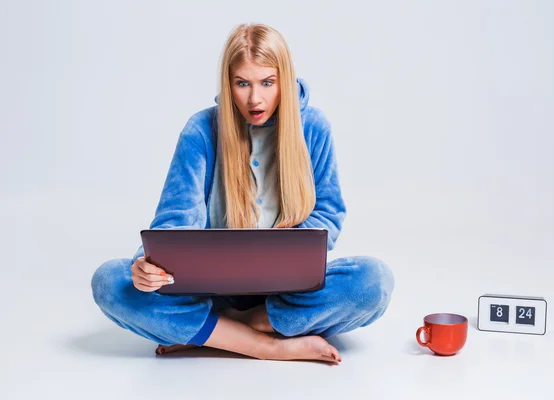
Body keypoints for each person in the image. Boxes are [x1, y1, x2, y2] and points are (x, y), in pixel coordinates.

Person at [91, 23, 394, 364]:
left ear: (284, 79)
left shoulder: (314, 128)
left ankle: (225, 330)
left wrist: (287, 257)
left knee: (373, 281)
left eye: (267, 82)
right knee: (109, 283)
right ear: (228, 83)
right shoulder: (201, 130)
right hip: (209, 292)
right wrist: (148, 267)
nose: (255, 98)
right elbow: (174, 226)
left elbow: (328, 213)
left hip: (288, 293)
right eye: (242, 83)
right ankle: (268, 345)